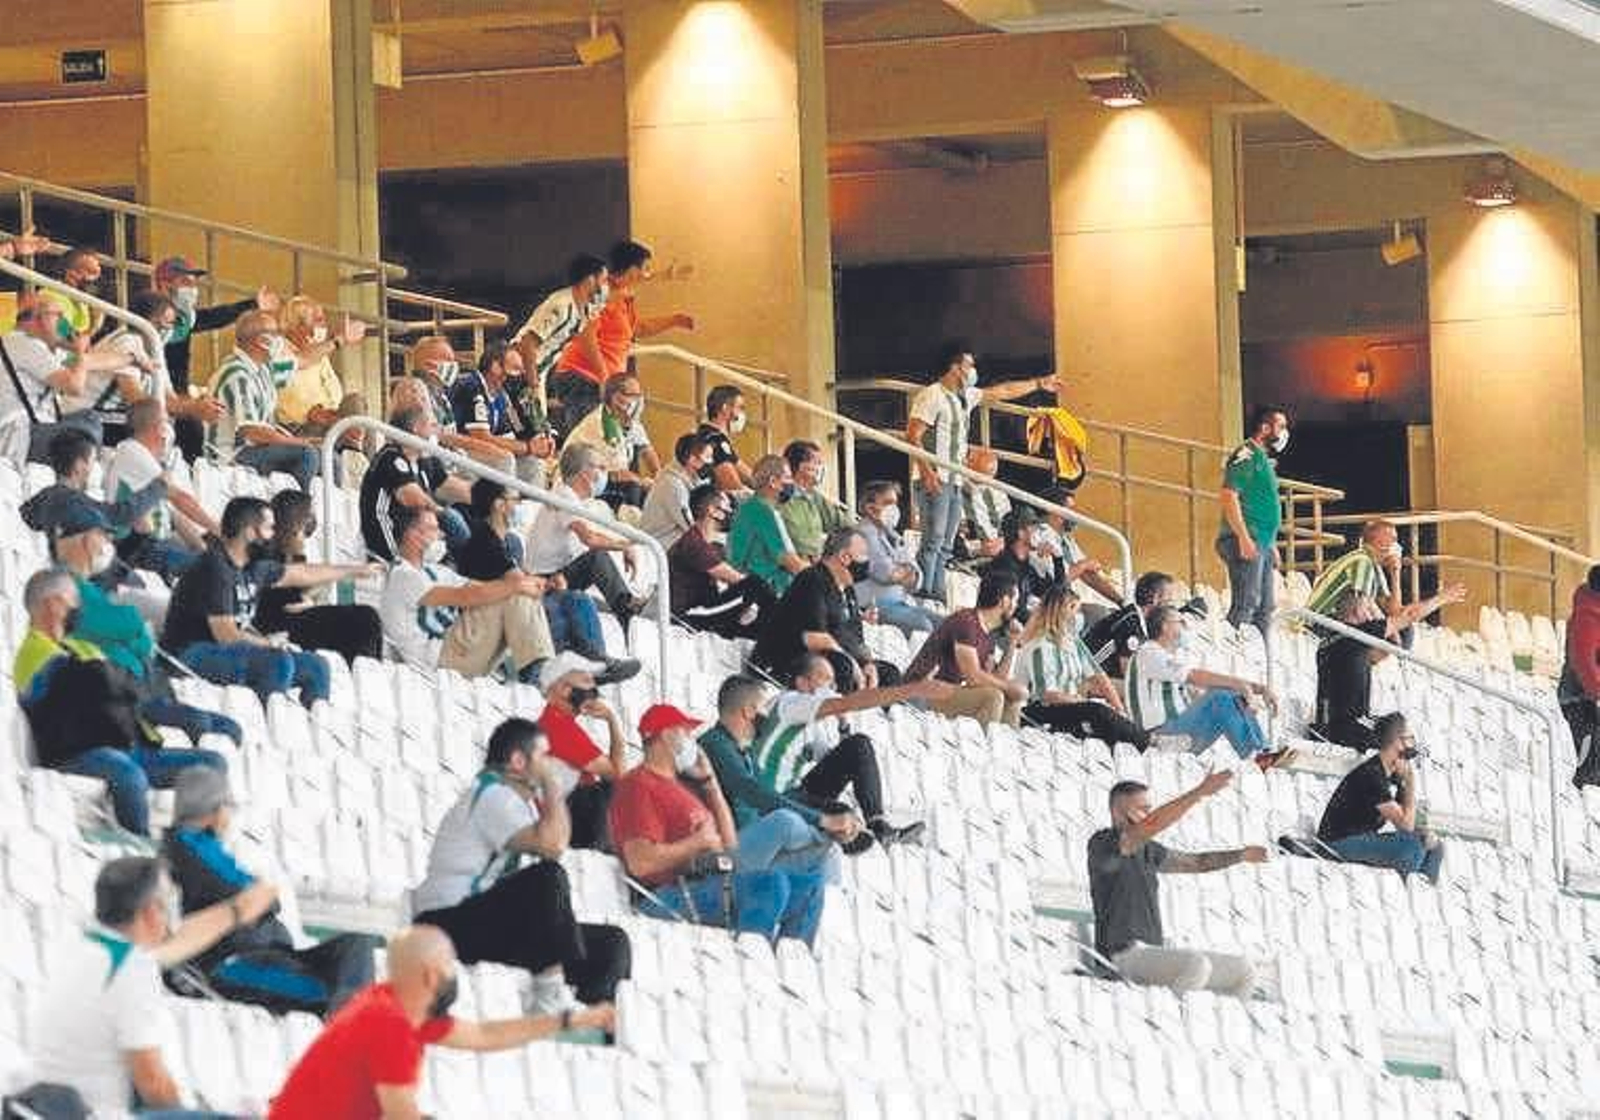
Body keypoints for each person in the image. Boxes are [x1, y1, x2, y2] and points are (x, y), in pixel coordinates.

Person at [267, 925, 615, 1120]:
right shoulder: (389, 1024)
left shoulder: (397, 1003)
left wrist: (572, 1019)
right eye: (450, 966)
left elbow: (485, 1034)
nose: (454, 974)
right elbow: (402, 1115)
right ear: (432, 977)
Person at [25, 857, 277, 1118]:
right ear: (150, 912)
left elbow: (178, 941)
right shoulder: (131, 969)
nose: (173, 912)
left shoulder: (86, 949)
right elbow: (153, 1084)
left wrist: (235, 911)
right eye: (168, 902)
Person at [411, 718, 632, 1012]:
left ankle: (585, 1025)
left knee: (611, 944)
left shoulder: (514, 801)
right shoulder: (491, 793)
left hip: (486, 921)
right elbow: (552, 847)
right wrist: (552, 783)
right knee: (546, 879)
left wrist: (550, 786)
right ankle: (548, 994)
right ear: (517, 761)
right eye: (543, 758)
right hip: (447, 920)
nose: (550, 765)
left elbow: (558, 840)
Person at [14, 568, 227, 837]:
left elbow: (119, 685)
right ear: (54, 604)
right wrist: (107, 677)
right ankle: (139, 848)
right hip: (76, 752)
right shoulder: (32, 651)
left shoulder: (80, 647)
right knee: (128, 774)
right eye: (74, 601)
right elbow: (96, 683)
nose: (79, 609)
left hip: (125, 745)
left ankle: (191, 845)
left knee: (211, 765)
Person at [163, 767, 379, 1017]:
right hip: (233, 964)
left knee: (357, 945)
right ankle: (352, 1030)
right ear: (210, 808)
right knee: (326, 993)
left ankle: (355, 1024)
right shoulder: (187, 846)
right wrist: (262, 897)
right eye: (225, 805)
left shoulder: (207, 847)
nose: (229, 814)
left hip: (271, 955)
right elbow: (249, 894)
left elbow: (255, 894)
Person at [609, 703, 825, 945]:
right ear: (667, 735)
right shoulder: (638, 784)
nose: (692, 741)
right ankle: (748, 961)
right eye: (686, 733)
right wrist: (695, 843)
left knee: (811, 888)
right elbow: (641, 862)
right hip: (665, 894)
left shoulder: (685, 788)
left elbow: (729, 844)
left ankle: (783, 970)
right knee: (770, 883)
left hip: (711, 882)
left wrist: (711, 785)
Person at [52, 497, 241, 751]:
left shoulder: (92, 587)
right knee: (208, 732)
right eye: (104, 537)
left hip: (142, 682)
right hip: (123, 689)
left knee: (221, 727)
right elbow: (123, 624)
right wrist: (132, 625)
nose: (109, 545)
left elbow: (133, 631)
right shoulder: (64, 586)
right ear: (87, 540)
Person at [163, 497, 371, 709]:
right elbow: (226, 635)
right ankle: (264, 724)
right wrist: (268, 643)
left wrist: (352, 571)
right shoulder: (215, 568)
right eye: (269, 528)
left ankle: (304, 728)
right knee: (277, 661)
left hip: (227, 649)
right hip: (188, 653)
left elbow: (301, 573)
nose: (275, 534)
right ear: (250, 532)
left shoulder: (253, 568)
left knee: (316, 666)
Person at [905, 340, 1060, 599]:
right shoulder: (932, 395)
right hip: (935, 478)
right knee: (932, 539)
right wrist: (928, 471)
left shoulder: (966, 396)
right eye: (970, 365)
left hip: (955, 478)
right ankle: (922, 593)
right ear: (955, 367)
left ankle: (938, 593)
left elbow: (1002, 390)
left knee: (945, 544)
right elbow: (912, 436)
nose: (973, 370)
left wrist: (1038, 384)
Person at [1087, 773, 1266, 995]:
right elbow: (1153, 824)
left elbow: (1196, 863)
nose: (1148, 814)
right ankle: (1177, 1018)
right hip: (1121, 955)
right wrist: (1199, 793)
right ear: (1117, 811)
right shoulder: (1103, 843)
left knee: (1244, 970)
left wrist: (1241, 855)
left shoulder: (1149, 850)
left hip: (1152, 953)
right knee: (1196, 964)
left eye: (1148, 808)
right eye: (1141, 809)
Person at [456, 477, 639, 683]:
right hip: (504, 625)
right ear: (499, 505)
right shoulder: (485, 544)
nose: (518, 505)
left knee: (576, 595)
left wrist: (551, 583)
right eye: (514, 499)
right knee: (573, 600)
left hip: (519, 609)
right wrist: (552, 585)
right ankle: (587, 666)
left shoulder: (510, 541)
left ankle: (597, 662)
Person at [758, 654, 939, 848]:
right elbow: (836, 700)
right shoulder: (788, 703)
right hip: (771, 798)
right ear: (801, 682)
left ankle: (879, 825)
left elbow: (840, 763)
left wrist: (843, 725)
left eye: (832, 683)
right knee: (843, 817)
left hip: (796, 793)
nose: (832, 688)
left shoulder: (811, 724)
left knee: (859, 745)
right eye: (824, 681)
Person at [699, 674, 860, 874]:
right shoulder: (715, 744)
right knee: (786, 822)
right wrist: (822, 820)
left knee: (828, 848)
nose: (767, 716)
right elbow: (752, 791)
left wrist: (827, 815)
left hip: (752, 851)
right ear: (749, 711)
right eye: (764, 709)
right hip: (721, 854)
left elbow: (776, 796)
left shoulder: (745, 753)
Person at [380, 504, 554, 681]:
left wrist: (529, 582)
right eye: (433, 529)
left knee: (515, 592)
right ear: (413, 535)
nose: (441, 535)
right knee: (516, 593)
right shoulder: (402, 576)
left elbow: (477, 587)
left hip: (458, 648)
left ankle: (540, 670)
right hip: (441, 659)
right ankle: (540, 674)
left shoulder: (433, 570)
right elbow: (466, 597)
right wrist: (518, 586)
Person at [551, 239, 693, 433]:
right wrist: (604, 378)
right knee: (590, 441)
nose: (647, 274)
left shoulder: (624, 297)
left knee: (615, 440)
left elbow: (636, 329)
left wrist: (675, 320)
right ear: (633, 269)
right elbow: (586, 336)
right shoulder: (602, 294)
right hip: (582, 377)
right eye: (645, 268)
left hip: (605, 380)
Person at [1127, 605, 1292, 770]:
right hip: (1160, 736)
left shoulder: (1163, 656)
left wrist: (1259, 689)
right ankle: (1257, 755)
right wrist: (1242, 686)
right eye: (1180, 622)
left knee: (1228, 694)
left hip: (1177, 733)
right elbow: (1195, 676)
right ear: (1165, 626)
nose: (1185, 626)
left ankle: (1262, 752)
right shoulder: (1149, 652)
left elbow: (1204, 685)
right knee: (1220, 696)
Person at [151, 254, 278, 461]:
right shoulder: (145, 319)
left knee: (193, 430)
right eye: (185, 282)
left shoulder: (185, 320)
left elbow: (215, 317)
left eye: (194, 283)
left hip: (179, 396)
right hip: (153, 396)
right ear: (164, 285)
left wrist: (252, 304)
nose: (192, 290)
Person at [750, 527, 899, 693]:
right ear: (844, 557)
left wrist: (867, 663)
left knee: (888, 673)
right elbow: (817, 638)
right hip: (787, 660)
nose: (868, 562)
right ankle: (839, 714)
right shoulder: (812, 579)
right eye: (864, 555)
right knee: (843, 667)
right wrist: (852, 663)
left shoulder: (847, 590)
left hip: (827, 657)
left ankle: (873, 712)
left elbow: (856, 639)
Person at [524, 442, 651, 628]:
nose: (604, 474)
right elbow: (590, 539)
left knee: (606, 604)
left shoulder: (570, 497)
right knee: (596, 558)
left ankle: (628, 609)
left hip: (557, 575)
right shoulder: (564, 496)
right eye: (600, 467)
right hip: (545, 581)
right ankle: (629, 608)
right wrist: (624, 546)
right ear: (585, 473)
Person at [254, 489, 384, 664]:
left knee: (365, 618)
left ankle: (364, 670)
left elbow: (303, 591)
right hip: (275, 627)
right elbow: (287, 599)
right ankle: (361, 671)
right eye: (307, 517)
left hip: (293, 621)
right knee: (364, 620)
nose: (311, 524)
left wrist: (308, 598)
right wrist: (306, 598)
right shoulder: (265, 552)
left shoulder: (293, 551)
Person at [1014, 585, 1150, 750]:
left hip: (1070, 705)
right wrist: (1079, 701)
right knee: (1097, 711)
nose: (1078, 616)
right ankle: (1145, 743)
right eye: (1074, 609)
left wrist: (1119, 709)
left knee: (1105, 714)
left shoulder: (1073, 642)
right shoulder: (1039, 646)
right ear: (1061, 610)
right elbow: (1046, 695)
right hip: (1041, 709)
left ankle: (1136, 744)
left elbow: (1099, 677)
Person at [1316, 713, 1444, 883]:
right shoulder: (1372, 774)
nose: (1413, 743)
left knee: (1435, 847)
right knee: (1412, 846)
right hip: (1337, 843)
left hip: (1362, 839)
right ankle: (1407, 892)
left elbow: (1410, 824)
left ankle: (1423, 898)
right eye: (1410, 738)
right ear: (1398, 742)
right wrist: (1410, 783)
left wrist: (1424, 833)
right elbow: (1405, 826)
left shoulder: (1393, 775)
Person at [207, 308, 321, 490]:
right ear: (261, 341)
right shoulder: (237, 374)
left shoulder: (263, 368)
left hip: (255, 448)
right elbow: (253, 433)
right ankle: (298, 513)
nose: (281, 339)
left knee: (329, 458)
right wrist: (299, 442)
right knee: (306, 454)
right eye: (276, 334)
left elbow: (303, 360)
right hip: (231, 455)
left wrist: (338, 341)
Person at [1, 294, 122, 465]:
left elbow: (95, 361)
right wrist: (80, 353)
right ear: (38, 318)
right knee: (85, 430)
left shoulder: (42, 347)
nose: (64, 322)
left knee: (88, 420)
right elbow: (74, 386)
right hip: (18, 434)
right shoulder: (21, 342)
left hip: (38, 428)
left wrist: (133, 359)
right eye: (58, 315)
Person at [105, 398, 216, 582]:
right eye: (165, 422)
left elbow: (173, 514)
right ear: (157, 427)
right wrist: (219, 529)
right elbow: (181, 499)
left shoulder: (149, 460)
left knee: (216, 563)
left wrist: (203, 547)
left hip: (158, 545)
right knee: (214, 571)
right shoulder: (131, 450)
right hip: (136, 547)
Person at [1305, 518, 1467, 641]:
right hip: (1319, 625)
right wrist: (1389, 634)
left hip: (1334, 623)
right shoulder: (1361, 561)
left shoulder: (1374, 566)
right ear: (1380, 542)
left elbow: (1395, 611)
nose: (1397, 545)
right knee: (1394, 631)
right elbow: (1358, 611)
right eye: (1394, 540)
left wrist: (1395, 573)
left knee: (1404, 629)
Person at [903, 568, 1027, 728]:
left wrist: (1012, 643)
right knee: (992, 697)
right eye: (1015, 600)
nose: (1016, 606)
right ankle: (982, 749)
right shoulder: (966, 622)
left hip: (946, 692)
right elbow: (973, 676)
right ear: (1004, 601)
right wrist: (1009, 687)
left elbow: (995, 679)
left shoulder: (988, 632)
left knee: (1010, 700)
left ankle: (1001, 750)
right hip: (921, 692)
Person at [1311, 588, 1427, 751]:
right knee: (1404, 743)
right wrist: (1442, 598)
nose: (1372, 616)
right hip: (1343, 729)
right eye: (1369, 610)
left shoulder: (1331, 642)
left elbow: (1393, 647)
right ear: (1358, 611)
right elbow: (1407, 619)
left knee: (1399, 729)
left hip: (1327, 725)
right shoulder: (1357, 635)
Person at [535, 653, 630, 850]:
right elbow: (618, 773)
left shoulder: (556, 722)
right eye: (586, 681)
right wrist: (612, 720)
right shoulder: (558, 727)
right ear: (563, 689)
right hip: (571, 823)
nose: (593, 689)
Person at [358, 403, 473, 562]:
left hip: (419, 541)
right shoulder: (389, 456)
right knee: (453, 521)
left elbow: (453, 487)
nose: (437, 431)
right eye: (432, 425)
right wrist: (443, 514)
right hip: (389, 549)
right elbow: (412, 497)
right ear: (416, 428)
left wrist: (490, 496)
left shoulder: (423, 461)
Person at [1217, 405, 1289, 639]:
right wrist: (1243, 537)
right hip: (1247, 539)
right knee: (1247, 601)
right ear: (1265, 428)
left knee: (1265, 607)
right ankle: (1233, 649)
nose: (1284, 432)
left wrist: (1271, 545)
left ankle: (1258, 658)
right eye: (1281, 426)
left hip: (1262, 541)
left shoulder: (1262, 459)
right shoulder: (1246, 454)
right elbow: (1229, 495)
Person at [669, 483, 776, 639]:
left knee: (758, 626)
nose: (732, 512)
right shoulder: (693, 544)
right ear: (713, 511)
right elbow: (737, 580)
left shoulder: (712, 545)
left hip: (709, 607)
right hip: (690, 616)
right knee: (755, 586)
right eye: (728, 507)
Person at [511, 253, 609, 412]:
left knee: (539, 432)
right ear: (590, 280)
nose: (606, 287)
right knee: (529, 430)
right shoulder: (560, 305)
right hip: (519, 372)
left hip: (538, 373)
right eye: (604, 280)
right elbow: (527, 343)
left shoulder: (586, 309)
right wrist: (533, 384)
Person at [451, 340, 554, 483]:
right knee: (505, 459)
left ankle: (532, 505)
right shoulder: (471, 386)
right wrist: (528, 447)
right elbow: (481, 437)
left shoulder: (502, 396)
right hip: (459, 452)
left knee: (533, 461)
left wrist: (539, 439)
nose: (519, 375)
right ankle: (507, 504)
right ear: (495, 366)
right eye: (515, 369)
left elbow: (515, 430)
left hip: (483, 455)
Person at [274, 293, 368, 440]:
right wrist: (340, 340)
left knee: (355, 403)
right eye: (318, 321)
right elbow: (299, 407)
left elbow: (335, 394)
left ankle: (361, 455)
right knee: (351, 428)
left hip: (331, 421)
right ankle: (355, 449)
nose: (324, 326)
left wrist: (335, 417)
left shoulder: (319, 354)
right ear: (298, 326)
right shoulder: (279, 351)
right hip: (299, 429)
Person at [855, 479, 941, 637]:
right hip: (874, 605)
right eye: (888, 503)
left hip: (900, 602)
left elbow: (917, 577)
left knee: (944, 624)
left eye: (895, 504)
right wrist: (905, 572)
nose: (894, 509)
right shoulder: (863, 533)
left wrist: (908, 573)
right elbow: (885, 573)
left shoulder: (893, 535)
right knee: (923, 626)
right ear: (870, 508)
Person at [562, 372, 659, 511]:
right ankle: (627, 527)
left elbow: (646, 450)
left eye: (639, 395)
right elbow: (620, 474)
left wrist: (659, 478)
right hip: (580, 481)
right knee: (634, 488)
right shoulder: (603, 425)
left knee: (649, 491)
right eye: (632, 395)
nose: (638, 400)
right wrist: (644, 482)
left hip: (602, 475)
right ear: (615, 397)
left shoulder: (629, 421)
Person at [728, 453, 806, 595]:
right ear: (773, 482)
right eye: (787, 478)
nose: (792, 483)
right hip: (762, 593)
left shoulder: (756, 507)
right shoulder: (761, 511)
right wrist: (819, 578)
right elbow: (787, 559)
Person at [640, 430, 714, 549]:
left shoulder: (690, 478)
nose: (711, 463)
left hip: (673, 539)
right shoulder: (672, 485)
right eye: (708, 457)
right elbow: (691, 527)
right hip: (658, 544)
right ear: (692, 459)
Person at [1561, 566, 1600, 789]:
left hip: (1589, 696)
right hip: (1580, 699)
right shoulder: (1587, 618)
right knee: (1591, 764)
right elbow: (1584, 663)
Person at [779, 439, 848, 563]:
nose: (820, 468)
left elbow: (844, 524)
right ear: (801, 466)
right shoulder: (780, 495)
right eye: (817, 462)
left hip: (816, 564)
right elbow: (795, 539)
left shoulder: (815, 496)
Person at [697, 384, 754, 491]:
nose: (742, 415)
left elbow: (746, 472)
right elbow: (733, 486)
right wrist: (759, 507)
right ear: (725, 408)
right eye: (740, 408)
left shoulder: (712, 435)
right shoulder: (714, 439)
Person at [958, 446, 1009, 561]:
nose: (978, 488)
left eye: (985, 482)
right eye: (975, 481)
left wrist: (1002, 543)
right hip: (964, 557)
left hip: (997, 555)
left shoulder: (998, 493)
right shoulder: (952, 491)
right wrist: (978, 549)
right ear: (966, 465)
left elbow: (1009, 528)